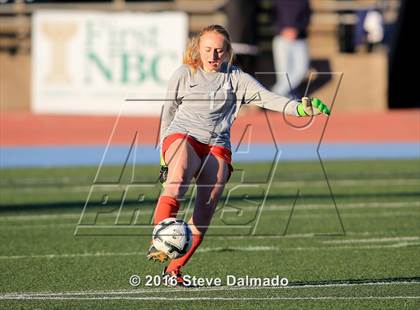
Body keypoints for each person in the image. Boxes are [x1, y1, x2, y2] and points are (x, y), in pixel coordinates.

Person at [147, 24, 329, 286]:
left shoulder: (236, 78)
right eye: (208, 50)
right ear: (198, 49)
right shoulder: (184, 74)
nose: (213, 56)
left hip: (217, 143)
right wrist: (164, 156)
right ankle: (161, 240)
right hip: (182, 135)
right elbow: (168, 111)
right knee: (177, 178)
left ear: (228, 52)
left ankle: (173, 269)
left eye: (219, 51)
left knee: (204, 214)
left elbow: (268, 99)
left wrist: (300, 109)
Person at [271, 0, 311, 97]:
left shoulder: (304, 1)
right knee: (283, 74)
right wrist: (282, 30)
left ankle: (274, 94)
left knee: (301, 70)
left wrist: (297, 29)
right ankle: (288, 99)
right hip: (281, 39)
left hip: (299, 39)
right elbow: (272, 16)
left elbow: (307, 17)